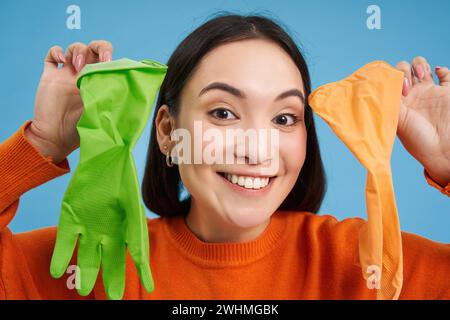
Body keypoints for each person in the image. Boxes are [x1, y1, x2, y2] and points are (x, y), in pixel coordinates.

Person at [0, 14, 449, 300]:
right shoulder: (89, 266)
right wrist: (40, 142)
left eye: (284, 118)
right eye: (223, 112)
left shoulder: (370, 265)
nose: (256, 147)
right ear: (167, 132)